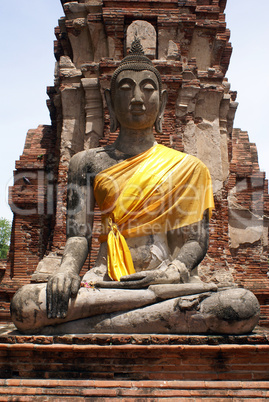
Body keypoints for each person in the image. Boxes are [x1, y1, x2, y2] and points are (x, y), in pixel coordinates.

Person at [10, 39, 260, 334]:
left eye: (148, 88)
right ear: (109, 99)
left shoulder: (188, 167)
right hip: (104, 281)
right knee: (26, 305)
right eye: (126, 88)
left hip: (166, 282)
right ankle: (151, 318)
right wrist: (66, 271)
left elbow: (196, 240)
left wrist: (173, 272)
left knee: (240, 305)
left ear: (164, 101)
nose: (137, 98)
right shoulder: (85, 163)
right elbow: (79, 237)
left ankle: (98, 324)